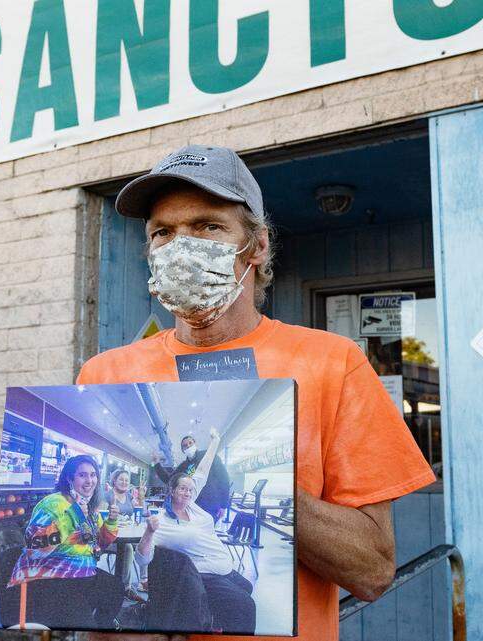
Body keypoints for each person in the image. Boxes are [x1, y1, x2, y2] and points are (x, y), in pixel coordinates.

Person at [79, 144, 435, 641]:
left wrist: (280, 488)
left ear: (258, 246)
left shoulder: (332, 363)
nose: (181, 246)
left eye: (208, 226)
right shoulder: (105, 372)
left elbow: (373, 570)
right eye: (163, 232)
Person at [137, 428, 254, 634]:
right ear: (171, 490)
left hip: (222, 566)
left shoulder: (192, 504)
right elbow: (142, 559)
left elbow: (203, 470)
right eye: (182, 488)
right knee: (246, 606)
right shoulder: (162, 521)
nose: (187, 492)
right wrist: (149, 532)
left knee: (247, 587)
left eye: (190, 489)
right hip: (203, 573)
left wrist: (215, 441)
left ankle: (214, 624)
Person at [8, 455, 125, 628]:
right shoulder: (53, 503)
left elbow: (100, 544)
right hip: (49, 578)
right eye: (82, 475)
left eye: (93, 475)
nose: (89, 481)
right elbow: (35, 547)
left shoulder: (89, 507)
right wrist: (72, 516)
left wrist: (111, 522)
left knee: (115, 589)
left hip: (80, 574)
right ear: (70, 479)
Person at [150, 434, 231, 522]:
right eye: (185, 445)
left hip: (212, 506)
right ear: (183, 450)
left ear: (195, 444)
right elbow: (169, 479)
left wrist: (224, 505)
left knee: (208, 528)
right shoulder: (183, 466)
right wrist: (157, 463)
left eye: (190, 443)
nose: (188, 446)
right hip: (193, 507)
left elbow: (224, 479)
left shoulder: (207, 456)